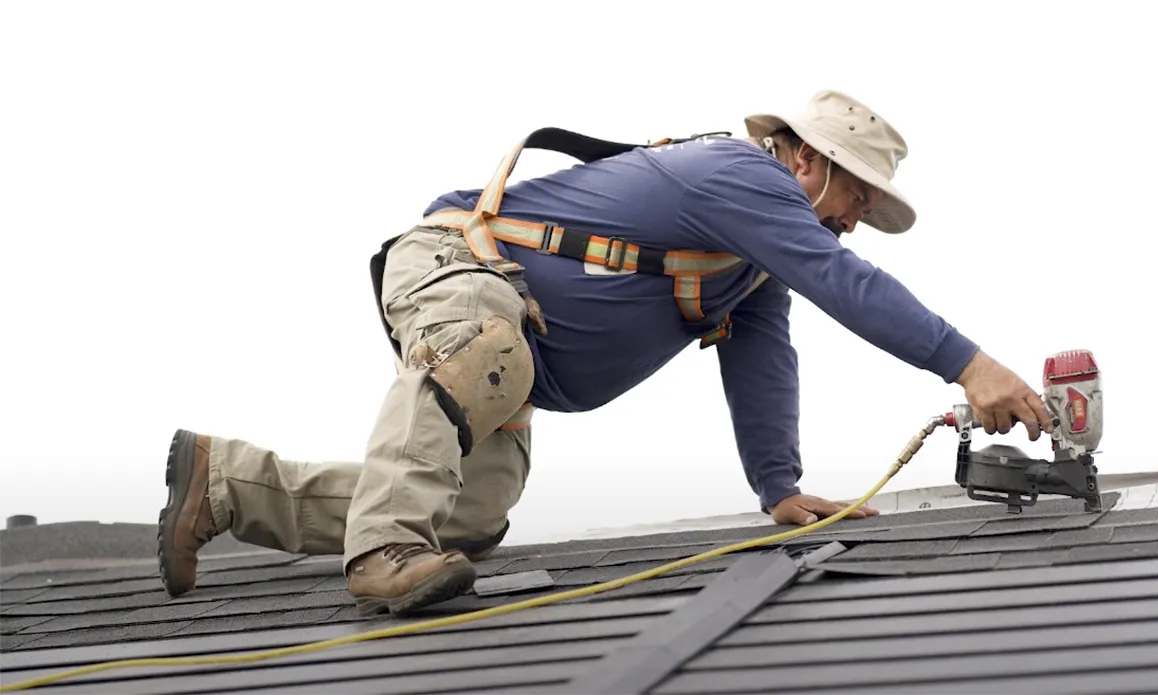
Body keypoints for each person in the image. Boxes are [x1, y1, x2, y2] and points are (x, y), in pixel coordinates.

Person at [156, 89, 1052, 616]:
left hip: (514, 345)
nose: (856, 220)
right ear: (807, 162)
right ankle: (380, 550)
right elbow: (840, 277)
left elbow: (762, 357)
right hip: (463, 271)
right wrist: (967, 363)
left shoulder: (748, 266)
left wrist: (777, 487)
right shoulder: (741, 175)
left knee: (470, 518)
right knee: (482, 352)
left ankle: (227, 484)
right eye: (857, 194)